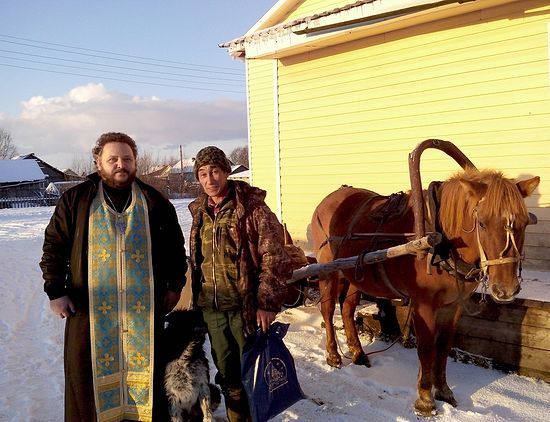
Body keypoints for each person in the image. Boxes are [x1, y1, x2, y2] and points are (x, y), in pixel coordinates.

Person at [40, 132, 187, 422]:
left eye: (127, 158)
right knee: (88, 387)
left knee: (147, 388)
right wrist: (55, 290)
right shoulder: (76, 201)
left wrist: (173, 286)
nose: (121, 164)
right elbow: (54, 246)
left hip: (142, 316)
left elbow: (174, 249)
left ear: (135, 162)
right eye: (113, 159)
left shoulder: (153, 201)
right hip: (90, 314)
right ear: (99, 162)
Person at [188, 146, 299, 422]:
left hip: (244, 309)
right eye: (202, 173)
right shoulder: (199, 211)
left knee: (251, 372)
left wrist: (266, 303)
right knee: (227, 375)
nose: (209, 179)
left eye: (214, 171)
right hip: (212, 310)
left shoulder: (252, 208)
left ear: (226, 171)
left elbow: (274, 255)